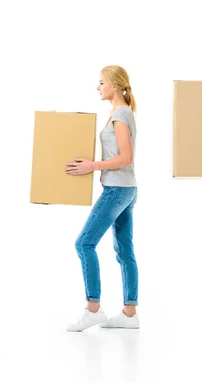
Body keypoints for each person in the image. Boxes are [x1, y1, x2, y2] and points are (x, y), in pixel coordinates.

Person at [65, 65, 140, 332]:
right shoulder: (121, 113)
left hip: (117, 189)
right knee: (125, 252)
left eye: (101, 82)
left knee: (84, 244)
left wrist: (92, 166)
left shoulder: (120, 114)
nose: (98, 87)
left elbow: (126, 157)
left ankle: (93, 308)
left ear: (116, 85)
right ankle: (130, 314)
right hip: (126, 188)